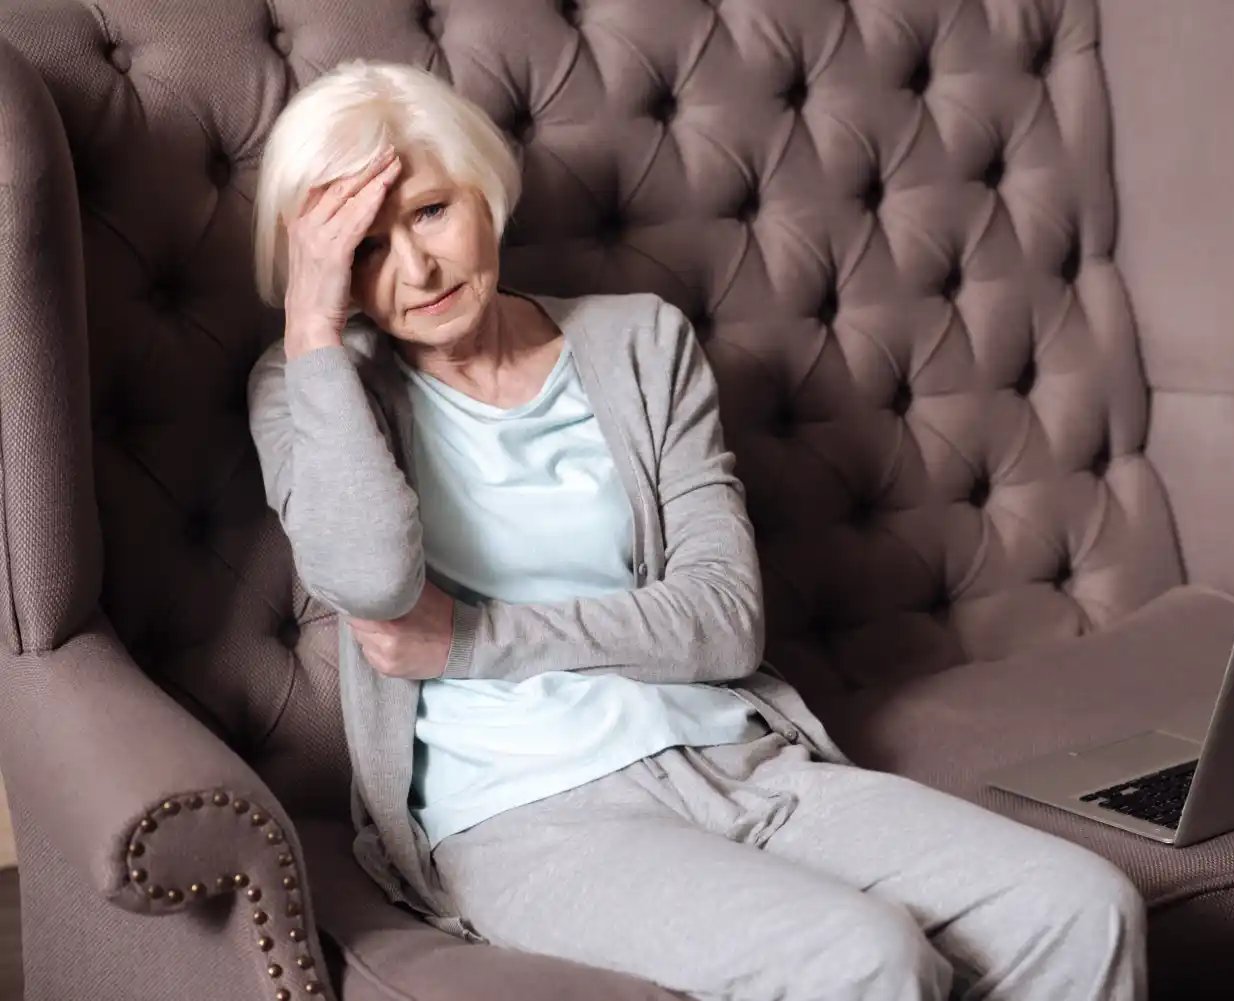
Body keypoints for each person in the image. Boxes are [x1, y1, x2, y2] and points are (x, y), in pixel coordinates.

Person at [247, 59, 1146, 1001]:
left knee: (1082, 904)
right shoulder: (309, 389)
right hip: (521, 808)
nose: (416, 269)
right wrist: (311, 328)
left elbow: (724, 621)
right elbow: (375, 581)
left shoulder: (639, 341)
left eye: (431, 212)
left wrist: (467, 638)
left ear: (482, 189)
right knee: (864, 956)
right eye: (363, 249)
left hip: (734, 756)